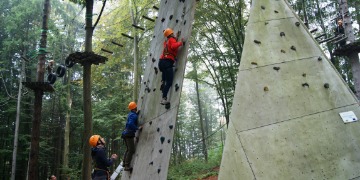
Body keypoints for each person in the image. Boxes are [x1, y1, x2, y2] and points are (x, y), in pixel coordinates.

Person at [158, 28, 185, 105]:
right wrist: (180, 43)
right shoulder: (171, 40)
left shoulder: (166, 42)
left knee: (164, 72)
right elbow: (173, 46)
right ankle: (163, 98)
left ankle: (163, 81)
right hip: (167, 62)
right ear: (171, 34)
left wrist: (175, 37)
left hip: (161, 62)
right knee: (169, 82)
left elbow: (170, 45)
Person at [121, 102, 142, 171]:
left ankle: (124, 162)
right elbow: (130, 124)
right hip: (129, 134)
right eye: (136, 107)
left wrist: (136, 113)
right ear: (134, 108)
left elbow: (131, 119)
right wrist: (137, 128)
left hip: (125, 133)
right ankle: (127, 165)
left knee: (128, 149)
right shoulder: (134, 115)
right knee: (131, 150)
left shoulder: (131, 114)